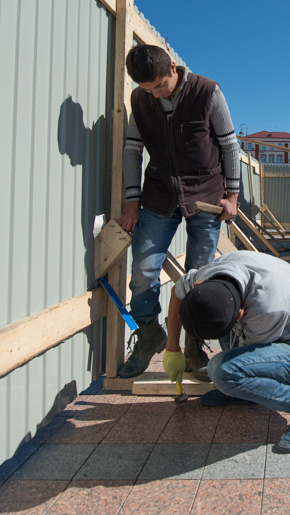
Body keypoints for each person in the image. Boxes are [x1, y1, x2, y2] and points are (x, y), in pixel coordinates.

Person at [117, 44, 240, 379]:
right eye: (147, 90)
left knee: (200, 278)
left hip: (206, 193)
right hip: (160, 193)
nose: (155, 95)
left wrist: (233, 195)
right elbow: (132, 149)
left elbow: (229, 145)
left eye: (160, 86)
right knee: (142, 274)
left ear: (173, 67)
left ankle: (193, 349)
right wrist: (132, 199)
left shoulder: (207, 91)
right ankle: (149, 336)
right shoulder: (140, 101)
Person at [162, 252, 290, 454]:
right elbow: (177, 291)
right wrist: (172, 348)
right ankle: (245, 393)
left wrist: (232, 381)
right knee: (227, 367)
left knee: (223, 371)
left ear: (239, 315)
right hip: (275, 330)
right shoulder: (212, 272)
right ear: (199, 285)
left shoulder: (267, 307)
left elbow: (243, 358)